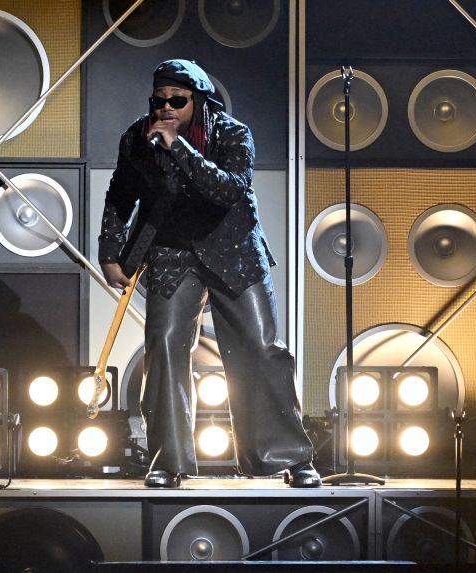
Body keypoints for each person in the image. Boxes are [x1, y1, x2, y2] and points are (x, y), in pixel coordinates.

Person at [98, 59, 321, 488]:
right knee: (162, 345)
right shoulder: (137, 138)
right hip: (171, 251)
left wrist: (178, 147)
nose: (167, 108)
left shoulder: (233, 134)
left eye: (177, 101)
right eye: (159, 100)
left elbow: (227, 189)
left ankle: (290, 456)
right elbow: (121, 194)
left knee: (260, 348)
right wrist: (111, 252)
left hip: (233, 249)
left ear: (198, 102)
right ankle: (168, 459)